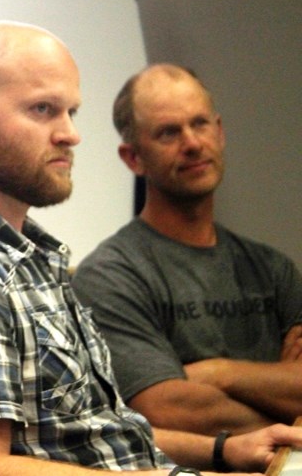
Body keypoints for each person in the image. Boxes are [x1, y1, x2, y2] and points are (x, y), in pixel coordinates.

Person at [0, 21, 302, 475]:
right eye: (43, 109)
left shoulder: (26, 256)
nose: (70, 134)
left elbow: (101, 431)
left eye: (71, 112)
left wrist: (222, 451)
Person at [72, 64, 302, 437]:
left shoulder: (272, 268)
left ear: (220, 131)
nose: (192, 143)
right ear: (133, 158)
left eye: (200, 124)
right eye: (168, 132)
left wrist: (219, 373)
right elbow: (166, 409)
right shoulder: (109, 275)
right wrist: (282, 407)